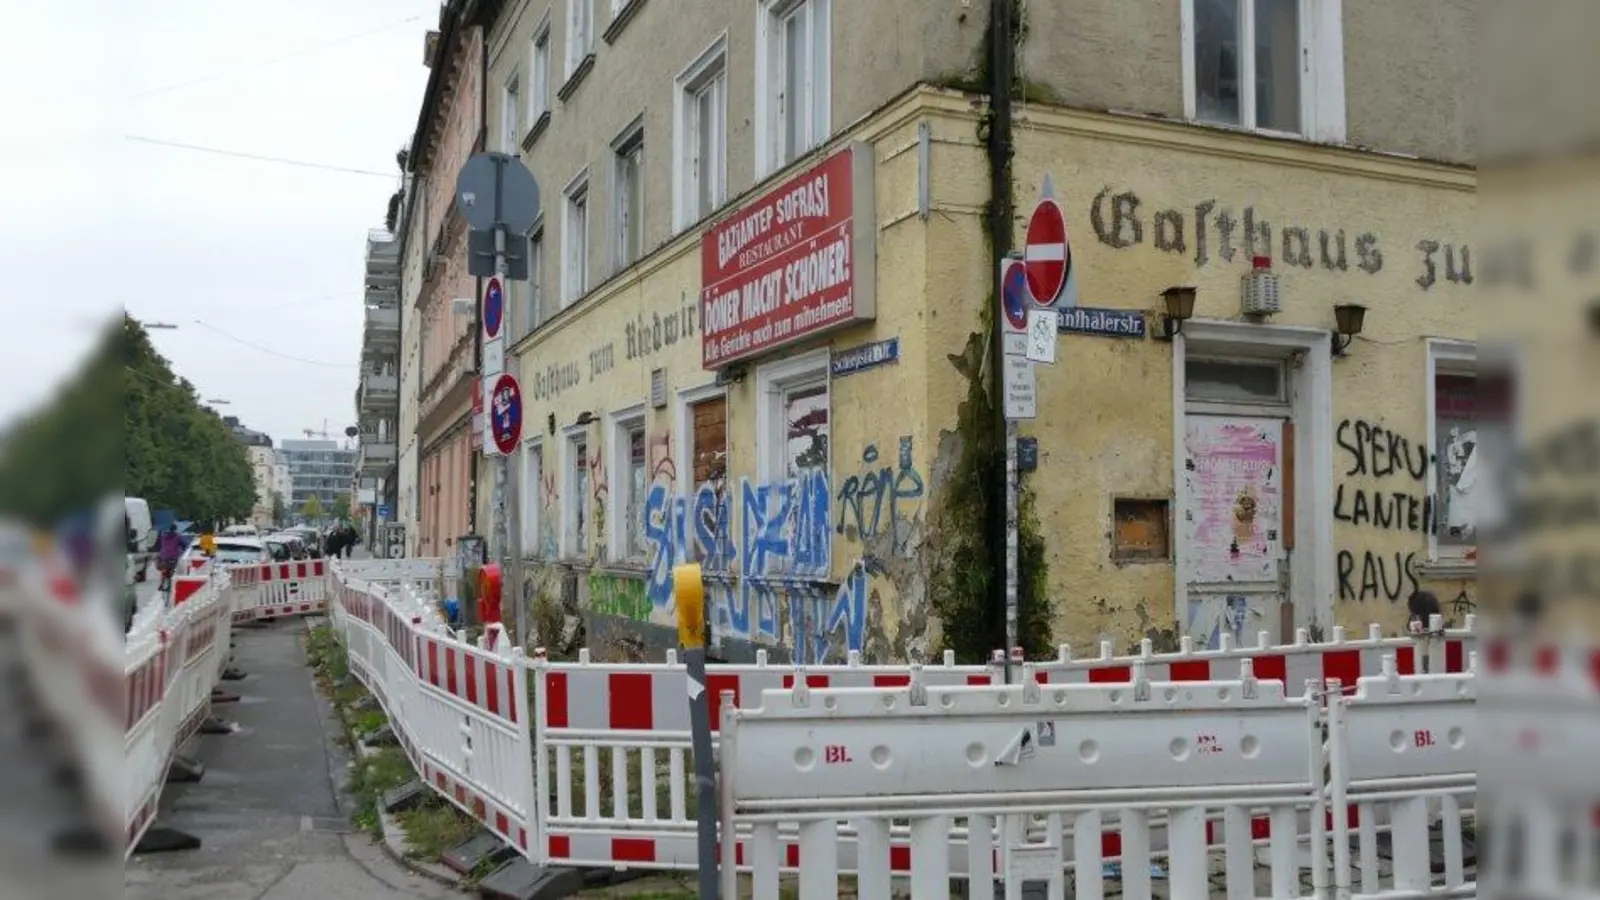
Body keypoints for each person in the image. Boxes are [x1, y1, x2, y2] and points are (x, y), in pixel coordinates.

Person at [156, 524, 183, 592]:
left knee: (164, 569)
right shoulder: (177, 536)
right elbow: (184, 544)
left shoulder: (163, 536)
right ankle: (171, 585)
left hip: (164, 556)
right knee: (173, 569)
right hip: (173, 557)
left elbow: (158, 545)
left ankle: (162, 584)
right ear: (175, 529)